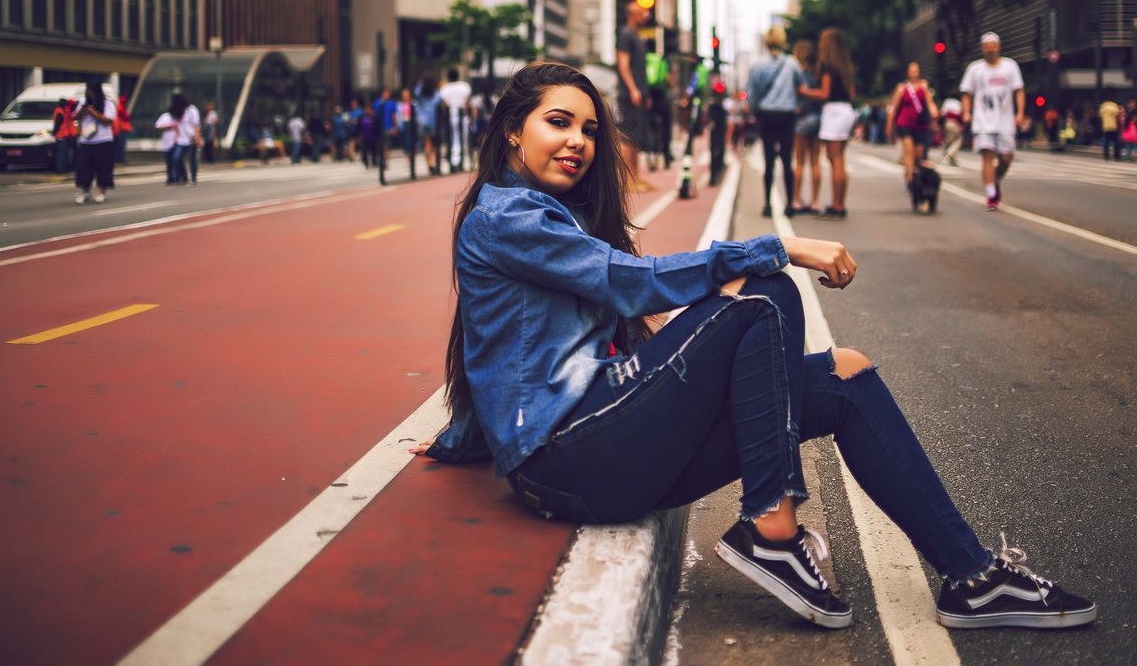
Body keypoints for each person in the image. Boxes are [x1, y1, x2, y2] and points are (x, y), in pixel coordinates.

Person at [411, 60, 1096, 632]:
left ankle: (971, 576)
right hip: (572, 458)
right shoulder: (507, 218)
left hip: (600, 449)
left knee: (847, 379)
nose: (579, 142)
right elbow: (630, 284)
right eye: (557, 123)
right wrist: (781, 244)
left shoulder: (546, 216)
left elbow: (496, 354)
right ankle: (773, 533)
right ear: (509, 133)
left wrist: (460, 439)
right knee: (766, 295)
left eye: (589, 129)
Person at [959, 32, 1024, 211]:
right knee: (987, 156)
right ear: (982, 49)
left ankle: (994, 180)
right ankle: (991, 195)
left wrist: (1020, 113)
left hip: (1005, 120)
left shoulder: (1010, 66)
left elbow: (1019, 91)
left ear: (999, 47)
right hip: (983, 121)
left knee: (1006, 158)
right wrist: (966, 112)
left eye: (993, 46)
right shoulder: (975, 69)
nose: (990, 50)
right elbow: (966, 92)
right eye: (987, 47)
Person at [799, 27, 857, 220]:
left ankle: (837, 206)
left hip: (833, 111)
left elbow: (824, 94)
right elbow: (852, 94)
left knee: (836, 161)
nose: (819, 44)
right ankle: (841, 203)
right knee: (840, 159)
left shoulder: (826, 65)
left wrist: (804, 91)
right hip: (847, 110)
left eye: (822, 40)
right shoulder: (845, 65)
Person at [746, 26, 804, 218]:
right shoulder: (791, 63)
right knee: (788, 161)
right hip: (787, 115)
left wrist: (755, 111)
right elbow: (801, 86)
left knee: (768, 161)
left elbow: (751, 95)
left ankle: (767, 204)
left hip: (766, 115)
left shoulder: (757, 65)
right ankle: (789, 204)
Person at [615, 1, 654, 190]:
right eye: (641, 13)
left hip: (639, 93)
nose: (645, 16)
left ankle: (636, 178)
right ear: (631, 15)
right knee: (627, 137)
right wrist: (632, 89)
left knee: (637, 137)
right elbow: (623, 64)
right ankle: (628, 180)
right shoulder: (625, 35)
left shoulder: (637, 36)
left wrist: (643, 92)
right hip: (629, 94)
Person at [886, 62, 939, 194]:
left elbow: (929, 103)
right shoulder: (902, 88)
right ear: (908, 73)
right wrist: (889, 126)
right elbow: (894, 107)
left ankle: (917, 175)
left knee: (919, 156)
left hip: (920, 124)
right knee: (909, 151)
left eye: (916, 70)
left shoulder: (924, 86)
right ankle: (910, 179)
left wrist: (935, 114)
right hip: (904, 123)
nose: (914, 73)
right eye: (912, 70)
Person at [791, 40, 823, 214]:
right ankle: (815, 201)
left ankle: (796, 200)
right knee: (816, 161)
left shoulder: (797, 73)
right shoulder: (817, 74)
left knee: (800, 162)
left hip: (801, 118)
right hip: (817, 117)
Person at [72, 80, 116, 204]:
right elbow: (74, 117)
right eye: (88, 91)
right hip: (86, 141)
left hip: (103, 140)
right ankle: (85, 192)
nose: (89, 94)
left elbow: (108, 120)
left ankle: (101, 192)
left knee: (103, 168)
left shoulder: (107, 103)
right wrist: (82, 111)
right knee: (83, 168)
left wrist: (93, 112)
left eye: (91, 91)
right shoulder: (83, 102)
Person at [646, 39, 675, 170]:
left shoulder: (644, 59)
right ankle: (667, 154)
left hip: (648, 98)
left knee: (650, 127)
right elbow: (670, 81)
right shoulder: (662, 59)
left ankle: (651, 156)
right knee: (666, 125)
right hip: (661, 98)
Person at [440, 69, 472, 172]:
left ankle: (454, 161)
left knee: (453, 138)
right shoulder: (465, 87)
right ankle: (462, 160)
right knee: (464, 138)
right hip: (462, 115)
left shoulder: (445, 89)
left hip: (451, 115)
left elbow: (444, 105)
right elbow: (467, 103)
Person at [155, 94, 187, 185]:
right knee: (169, 162)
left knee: (176, 159)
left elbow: (180, 129)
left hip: (176, 142)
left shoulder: (178, 118)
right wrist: (167, 127)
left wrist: (177, 137)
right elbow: (157, 127)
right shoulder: (165, 117)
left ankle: (178, 177)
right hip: (166, 143)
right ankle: (170, 178)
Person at [414, 76, 443, 175]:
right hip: (432, 121)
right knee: (434, 144)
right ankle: (434, 163)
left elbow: (416, 90)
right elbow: (440, 101)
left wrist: (421, 83)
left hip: (421, 122)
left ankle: (428, 165)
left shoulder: (420, 94)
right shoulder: (435, 94)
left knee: (427, 143)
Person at [397, 87, 418, 180]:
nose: (405, 97)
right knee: (406, 144)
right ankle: (409, 162)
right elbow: (398, 115)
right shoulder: (399, 105)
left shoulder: (413, 103)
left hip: (411, 124)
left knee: (412, 143)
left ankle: (412, 161)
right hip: (404, 124)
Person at [52, 99, 75, 174]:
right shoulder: (60, 111)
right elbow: (58, 124)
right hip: (62, 136)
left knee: (62, 153)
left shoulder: (61, 111)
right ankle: (61, 169)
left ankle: (62, 168)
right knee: (62, 154)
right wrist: (54, 132)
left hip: (62, 135)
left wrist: (54, 133)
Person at [940, 96, 965, 166]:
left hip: (947, 123)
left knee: (950, 141)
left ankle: (953, 159)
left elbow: (942, 113)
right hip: (955, 124)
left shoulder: (947, 102)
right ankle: (950, 153)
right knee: (958, 140)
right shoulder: (959, 104)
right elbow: (961, 115)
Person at [114, 95, 131, 164]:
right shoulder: (120, 108)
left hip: (122, 129)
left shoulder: (121, 107)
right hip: (122, 129)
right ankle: (121, 158)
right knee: (121, 145)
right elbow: (125, 117)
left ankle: (120, 158)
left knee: (120, 145)